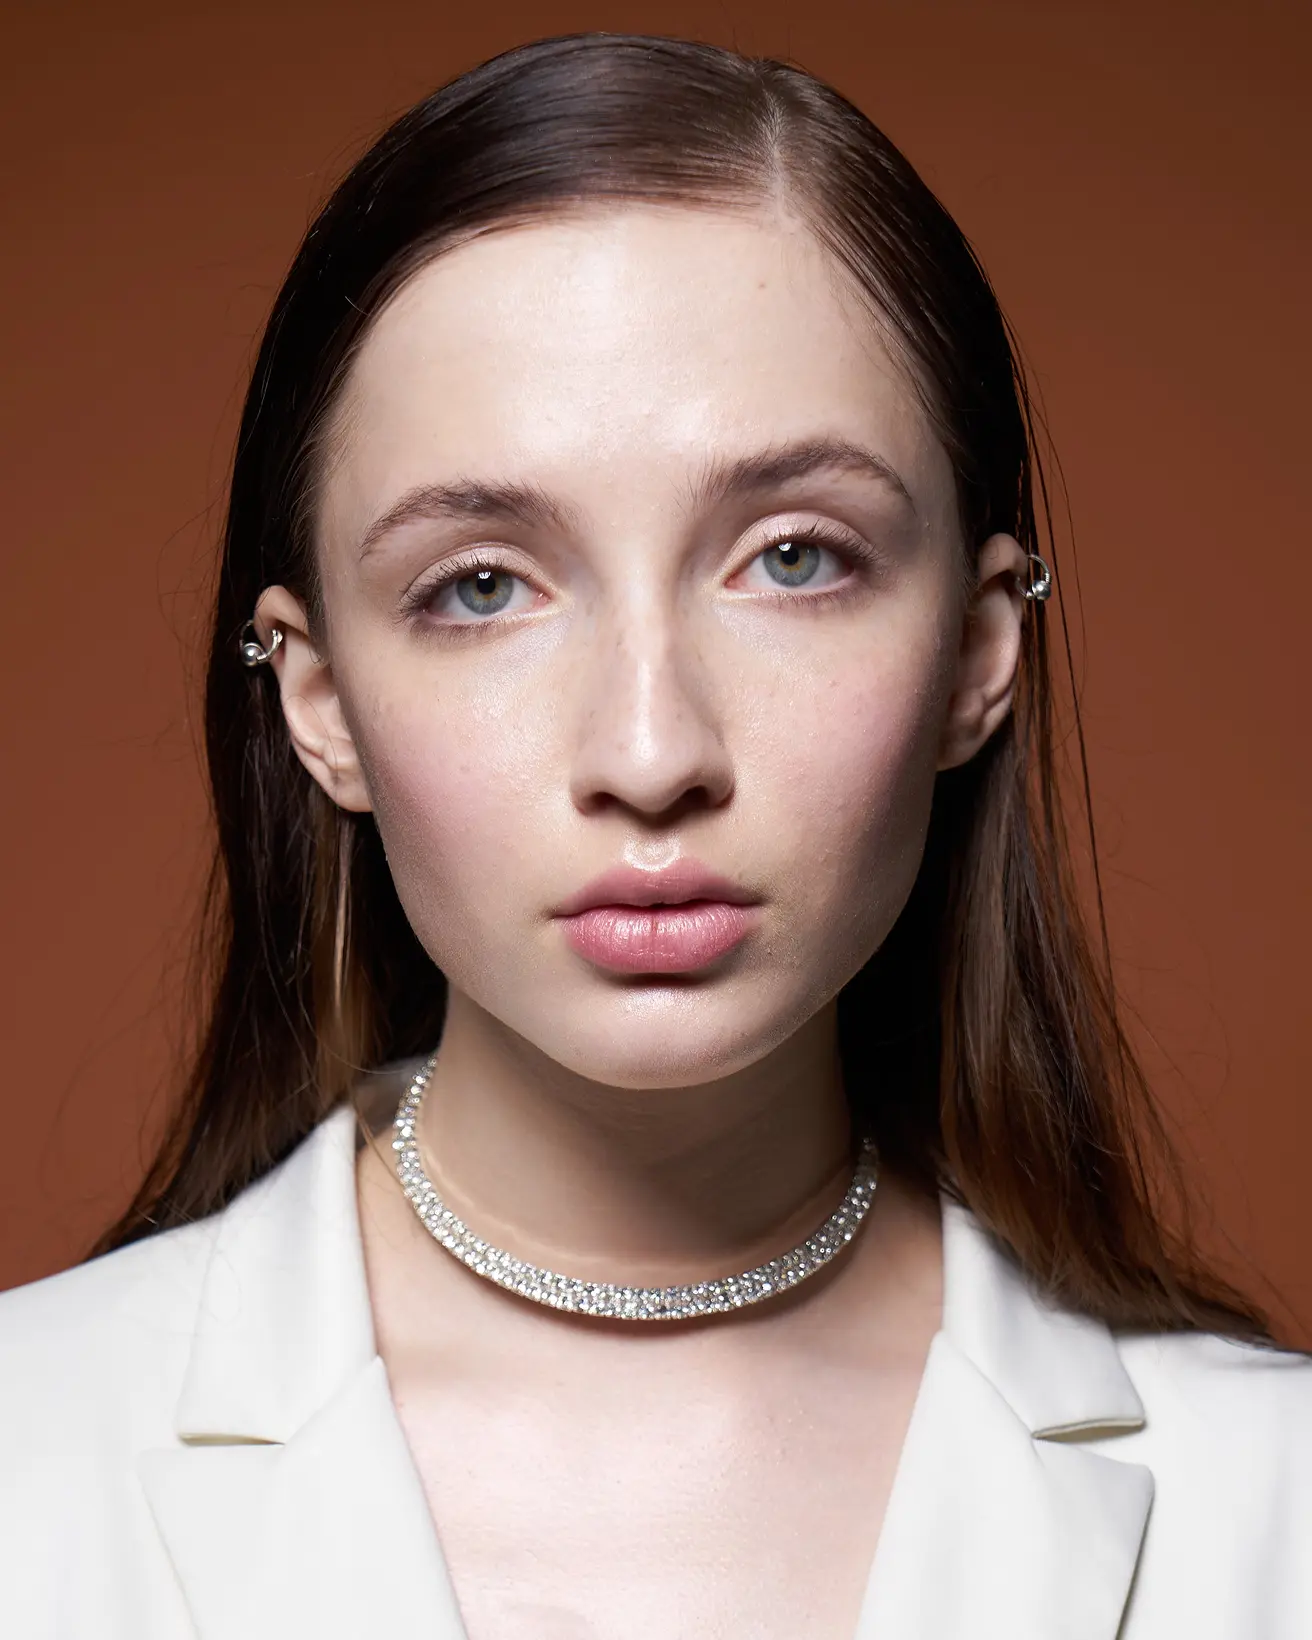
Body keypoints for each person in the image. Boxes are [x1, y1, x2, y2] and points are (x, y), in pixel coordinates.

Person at [1, 31, 1308, 1640]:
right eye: (481, 585)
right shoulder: (32, 1462)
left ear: (980, 651)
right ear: (318, 701)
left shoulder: (1272, 1501)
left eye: (794, 559)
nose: (649, 753)